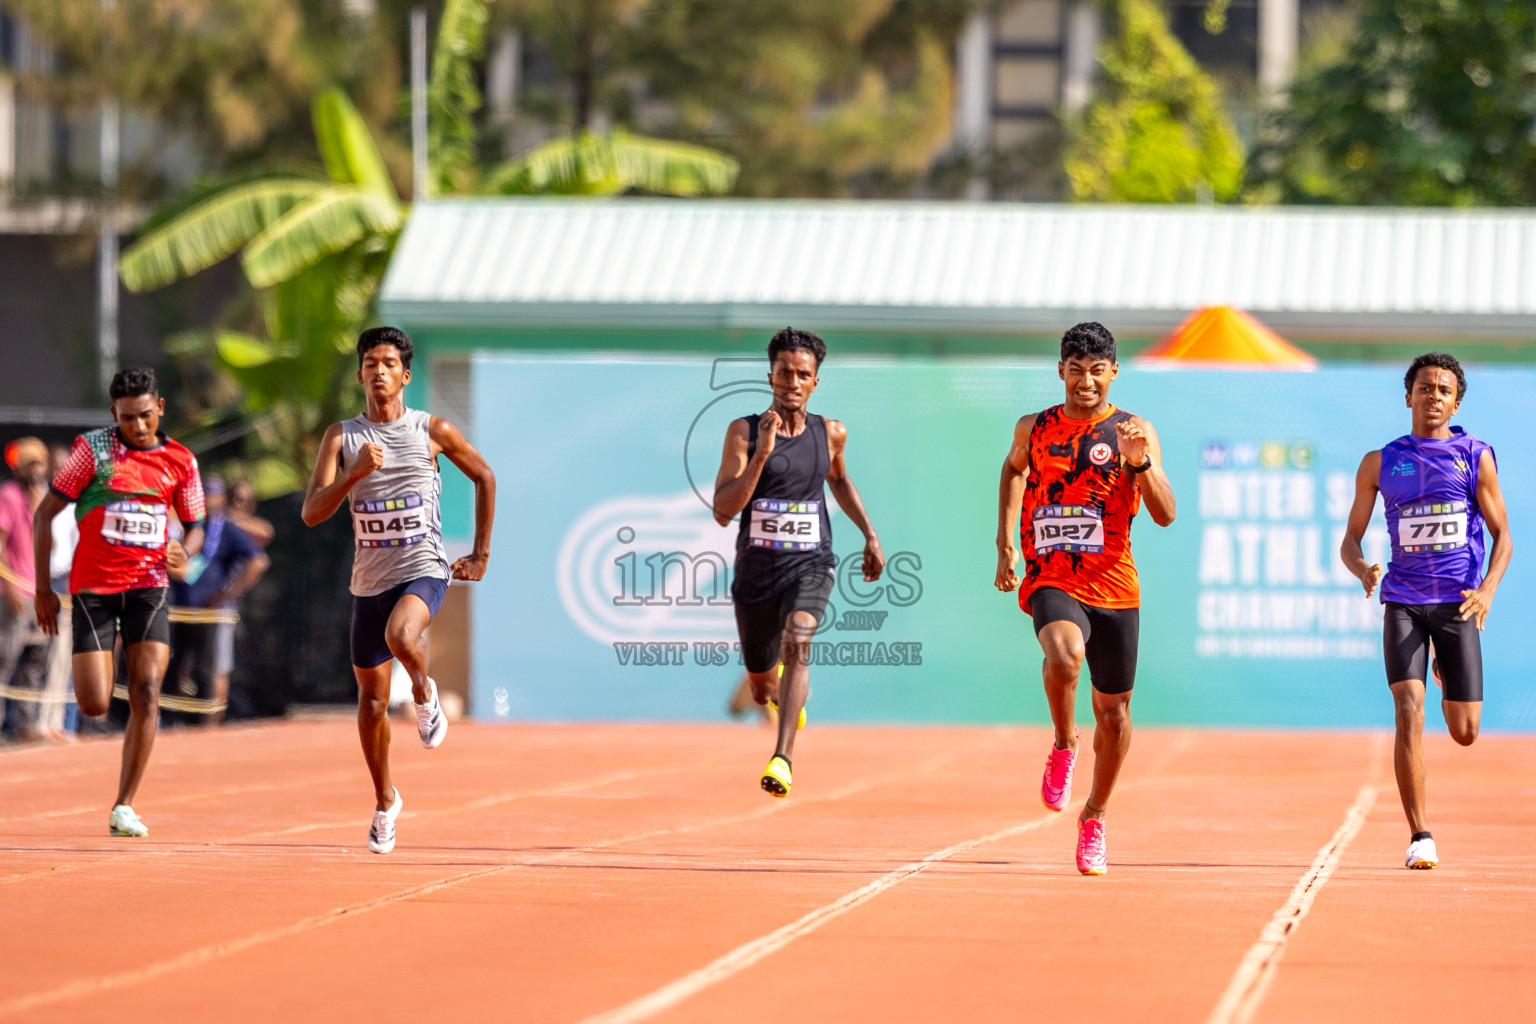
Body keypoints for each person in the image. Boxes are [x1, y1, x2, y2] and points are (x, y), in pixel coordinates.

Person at [302, 326, 496, 855]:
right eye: (370, 363)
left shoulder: (431, 430)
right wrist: (353, 475)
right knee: (369, 703)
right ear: (361, 374)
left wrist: (479, 554)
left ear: (405, 375)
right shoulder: (341, 438)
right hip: (369, 580)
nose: (379, 371)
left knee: (402, 634)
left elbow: (484, 477)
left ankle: (425, 693)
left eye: (389, 363)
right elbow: (312, 513)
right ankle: (386, 801)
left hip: (424, 566)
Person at [995, 322, 1176, 875]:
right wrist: (1005, 541)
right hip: (1053, 574)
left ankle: (1094, 816)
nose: (1086, 381)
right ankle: (1064, 741)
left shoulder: (1134, 430)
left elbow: (1166, 513)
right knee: (1063, 653)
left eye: (1097, 370)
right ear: (1061, 372)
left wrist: (1140, 463)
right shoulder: (1036, 427)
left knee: (1115, 713)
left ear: (1113, 373)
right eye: (1076, 369)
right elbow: (1012, 468)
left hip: (1116, 586)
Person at [1340, 352, 1512, 870]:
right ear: (1408, 396)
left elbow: (1504, 537)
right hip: (1404, 602)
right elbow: (1349, 538)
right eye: (1424, 387)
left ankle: (1445, 665)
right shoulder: (1380, 461)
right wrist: (1364, 569)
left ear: (1455, 401)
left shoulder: (1474, 455)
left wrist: (1487, 590)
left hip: (1459, 603)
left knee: (1464, 731)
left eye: (1443, 389)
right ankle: (1420, 835)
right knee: (1408, 710)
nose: (1433, 396)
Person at [32, 368, 206, 837]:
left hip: (149, 588)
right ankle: (112, 762)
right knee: (93, 704)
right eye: (128, 418)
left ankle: (124, 805)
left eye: (145, 416)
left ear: (160, 408)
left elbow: (196, 527)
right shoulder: (93, 451)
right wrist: (44, 589)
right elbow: (44, 514)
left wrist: (183, 551)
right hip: (94, 590)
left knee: (148, 690)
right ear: (114, 414)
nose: (138, 426)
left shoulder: (181, 460)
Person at [712, 327, 885, 798]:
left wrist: (869, 534)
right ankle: (781, 692)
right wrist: (762, 454)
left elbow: (841, 481)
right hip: (755, 576)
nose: (792, 381)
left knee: (800, 639)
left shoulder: (830, 433)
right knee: (763, 687)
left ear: (815, 382)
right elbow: (724, 511)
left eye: (802, 374)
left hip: (811, 564)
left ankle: (782, 756)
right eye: (784, 372)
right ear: (770, 376)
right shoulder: (744, 432)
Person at [168, 476, 269, 726]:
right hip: (180, 608)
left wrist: (228, 593)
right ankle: (173, 719)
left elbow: (259, 558)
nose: (208, 500)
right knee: (175, 664)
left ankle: (209, 723)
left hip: (212, 612)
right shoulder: (186, 523)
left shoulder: (228, 528)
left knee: (211, 667)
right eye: (204, 495)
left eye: (214, 495)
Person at [0, 437, 52, 741]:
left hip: (40, 592)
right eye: (31, 464)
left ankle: (25, 725)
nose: (37, 470)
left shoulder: (42, 498)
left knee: (36, 660)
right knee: (6, 659)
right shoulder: (8, 495)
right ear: (20, 468)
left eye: (40, 464)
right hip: (15, 591)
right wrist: (9, 586)